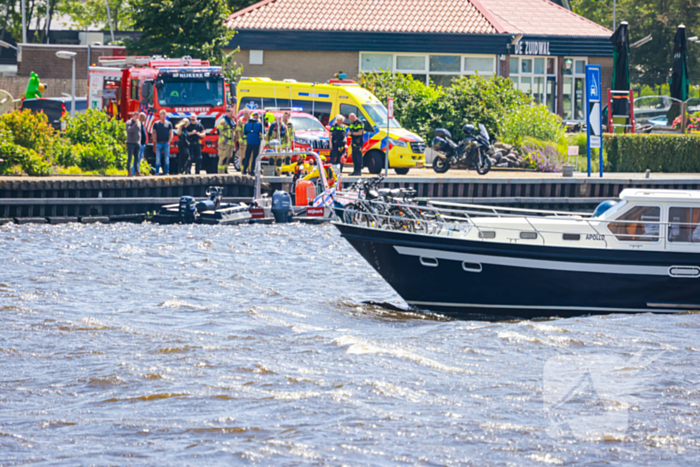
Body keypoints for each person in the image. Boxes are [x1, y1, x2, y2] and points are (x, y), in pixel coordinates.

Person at [152, 110, 173, 175]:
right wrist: (155, 140)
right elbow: (153, 132)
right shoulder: (156, 123)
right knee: (158, 159)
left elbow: (171, 133)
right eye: (162, 114)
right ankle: (157, 172)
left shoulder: (169, 124)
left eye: (164, 114)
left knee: (167, 159)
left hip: (166, 143)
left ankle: (167, 172)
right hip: (158, 143)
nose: (163, 116)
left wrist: (169, 141)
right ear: (160, 115)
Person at [242, 111, 263, 176]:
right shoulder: (259, 124)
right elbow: (262, 131)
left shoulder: (246, 123)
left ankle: (244, 170)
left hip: (249, 142)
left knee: (247, 156)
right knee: (255, 157)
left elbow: (244, 132)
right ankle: (252, 171)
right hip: (256, 142)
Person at [217, 107, 236, 174]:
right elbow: (219, 131)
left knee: (228, 157)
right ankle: (220, 173)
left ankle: (225, 170)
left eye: (232, 113)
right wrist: (224, 141)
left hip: (230, 143)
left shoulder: (232, 121)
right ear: (226, 113)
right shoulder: (223, 121)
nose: (231, 114)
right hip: (224, 143)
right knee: (223, 157)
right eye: (230, 113)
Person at [125, 112, 141, 176]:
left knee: (137, 158)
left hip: (137, 143)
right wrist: (135, 124)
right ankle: (129, 171)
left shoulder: (139, 123)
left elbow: (139, 132)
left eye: (138, 117)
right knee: (130, 158)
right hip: (130, 143)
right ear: (133, 116)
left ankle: (137, 171)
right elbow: (130, 130)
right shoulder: (129, 122)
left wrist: (139, 141)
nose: (137, 118)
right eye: (136, 116)